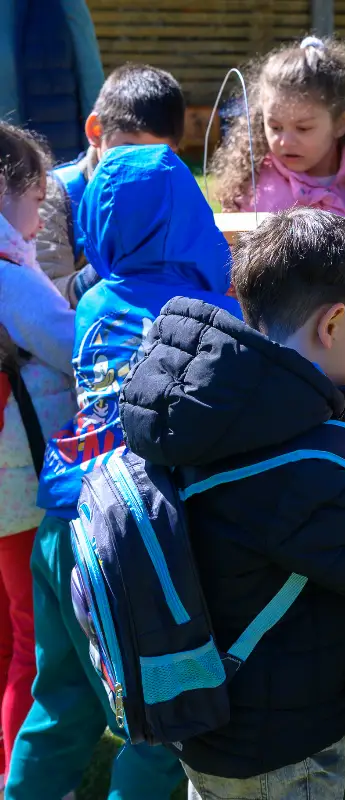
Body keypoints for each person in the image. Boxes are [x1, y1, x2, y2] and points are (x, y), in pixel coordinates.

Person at [117, 207, 345, 800]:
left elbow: (294, 455)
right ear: (333, 322)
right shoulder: (295, 473)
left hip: (220, 712)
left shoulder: (218, 406)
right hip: (274, 744)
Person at [6, 144, 240, 800]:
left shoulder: (92, 303)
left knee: (61, 698)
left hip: (63, 520)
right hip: (131, 538)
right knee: (158, 719)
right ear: (192, 218)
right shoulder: (213, 316)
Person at [0, 122, 76, 791]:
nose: (43, 213)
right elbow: (70, 343)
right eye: (36, 198)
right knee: (35, 641)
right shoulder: (9, 274)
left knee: (4, 633)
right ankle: (25, 777)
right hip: (20, 490)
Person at [36, 63, 185, 307]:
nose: (140, 168)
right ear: (96, 131)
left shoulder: (174, 191)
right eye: (129, 151)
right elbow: (45, 297)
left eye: (156, 156)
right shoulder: (55, 196)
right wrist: (111, 267)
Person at [211, 36, 345, 220]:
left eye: (303, 128)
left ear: (340, 123)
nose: (285, 142)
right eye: (275, 127)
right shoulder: (251, 187)